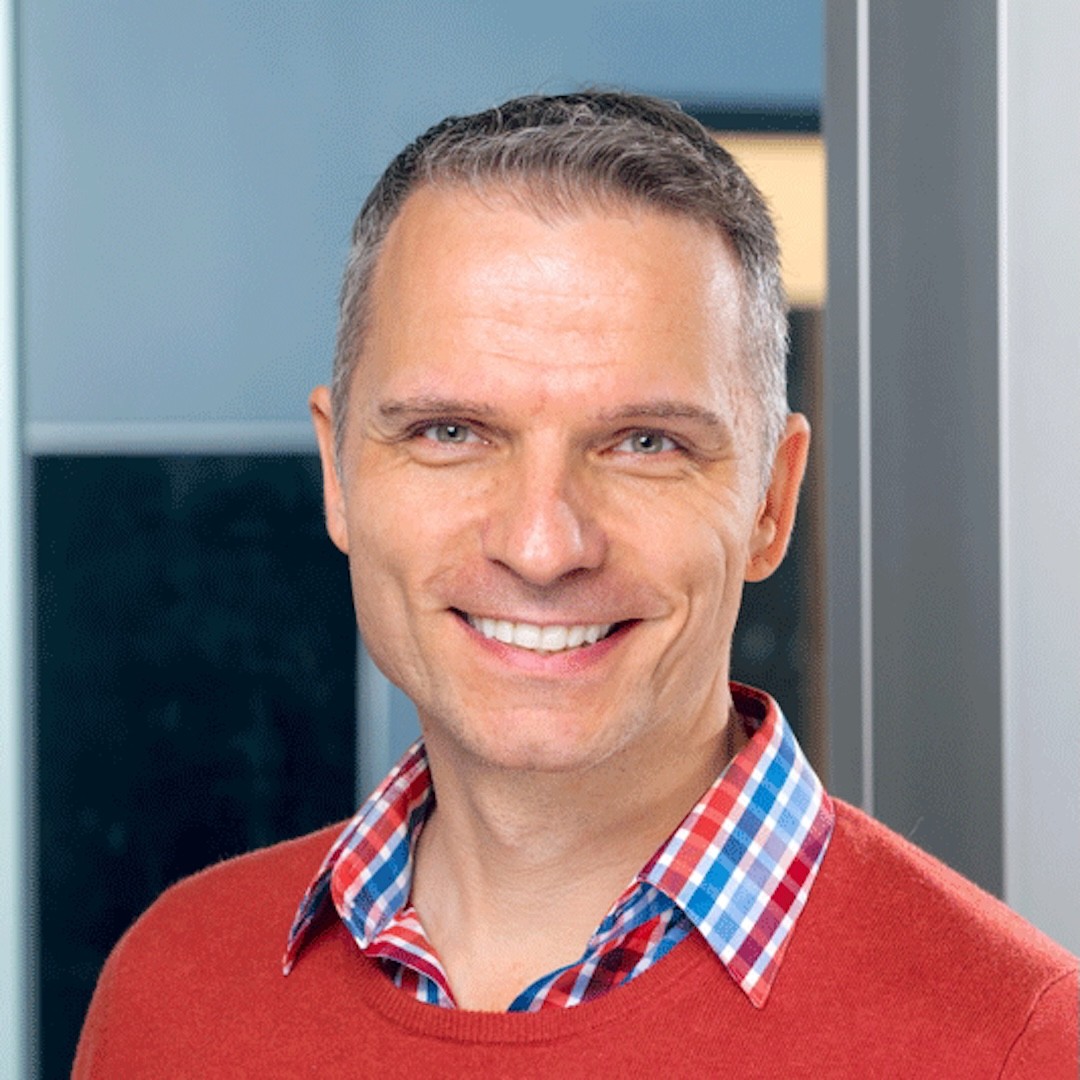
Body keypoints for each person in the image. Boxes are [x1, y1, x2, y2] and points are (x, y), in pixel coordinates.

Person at [73, 91, 1077, 1077]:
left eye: (645, 443)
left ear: (771, 502)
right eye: (451, 432)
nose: (543, 546)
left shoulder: (1018, 1045)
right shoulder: (172, 993)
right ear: (339, 475)